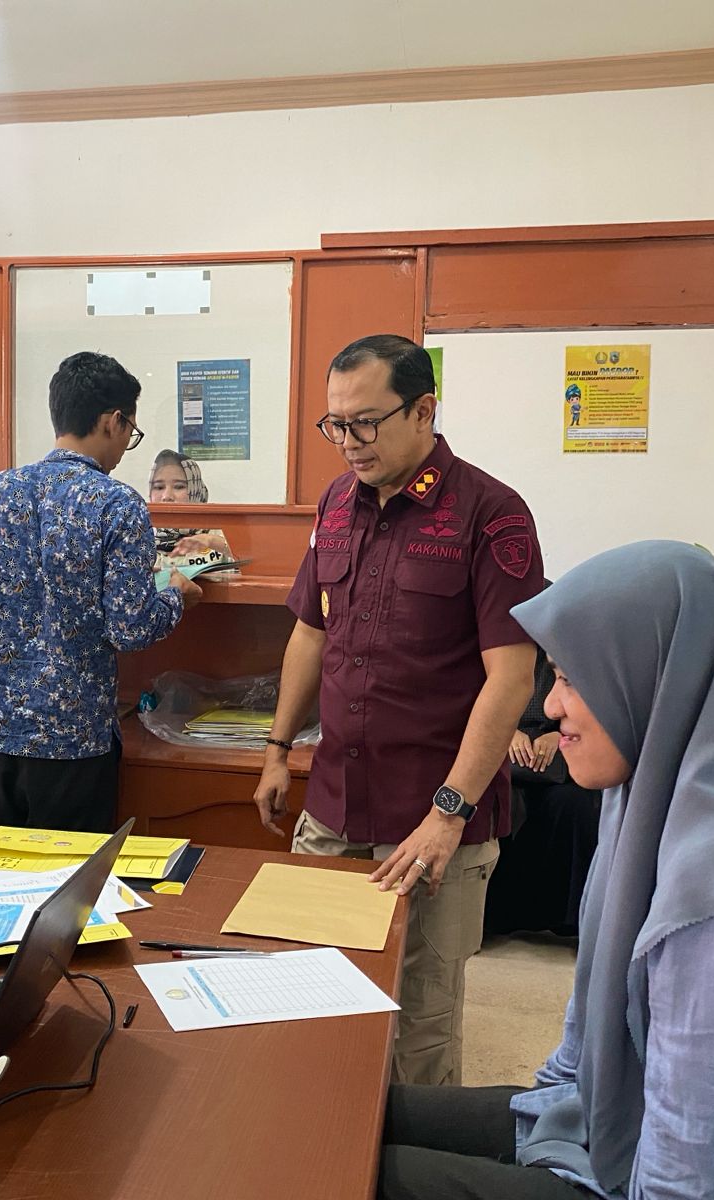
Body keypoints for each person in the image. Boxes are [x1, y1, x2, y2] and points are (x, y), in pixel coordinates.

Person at [378, 541, 714, 1200]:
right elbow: (585, 1059)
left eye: (572, 680)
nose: (551, 708)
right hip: (627, 1129)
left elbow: (710, 1179)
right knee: (357, 1115)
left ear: (652, 678)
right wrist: (554, 1130)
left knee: (349, 1171)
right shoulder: (647, 802)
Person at [253, 333, 542, 1087]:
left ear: (423, 411)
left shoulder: (493, 514)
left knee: (419, 1023)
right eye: (335, 424)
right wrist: (278, 749)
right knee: (316, 996)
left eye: (366, 423)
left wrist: (449, 814)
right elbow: (311, 632)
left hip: (434, 817)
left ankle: (411, 1152)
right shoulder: (335, 505)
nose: (349, 442)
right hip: (336, 803)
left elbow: (511, 679)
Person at [0, 352, 201, 843]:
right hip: (69, 737)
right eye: (131, 432)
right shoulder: (117, 503)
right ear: (114, 421)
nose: (126, 446)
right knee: (65, 885)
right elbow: (130, 628)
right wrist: (177, 596)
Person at [484, 641, 601, 938]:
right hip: (501, 751)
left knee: (576, 803)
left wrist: (559, 734)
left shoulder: (570, 647)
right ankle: (494, 915)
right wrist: (505, 731)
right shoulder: (494, 647)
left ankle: (571, 919)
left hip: (557, 756)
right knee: (499, 798)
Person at [148, 448, 231, 559]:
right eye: (159, 487)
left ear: (195, 490)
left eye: (179, 487)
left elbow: (249, 558)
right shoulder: (139, 536)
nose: (166, 497)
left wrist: (212, 541)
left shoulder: (220, 531)